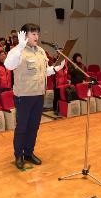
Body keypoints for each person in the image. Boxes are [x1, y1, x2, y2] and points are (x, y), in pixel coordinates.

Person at [5, 23, 65, 169]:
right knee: (22, 127)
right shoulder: (17, 51)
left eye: (37, 34)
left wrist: (56, 68)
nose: (36, 37)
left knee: (34, 127)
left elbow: (44, 71)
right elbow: (8, 65)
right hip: (24, 96)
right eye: (33, 34)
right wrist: (19, 47)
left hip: (39, 95)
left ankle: (29, 153)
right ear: (25, 35)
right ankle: (18, 154)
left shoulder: (41, 51)